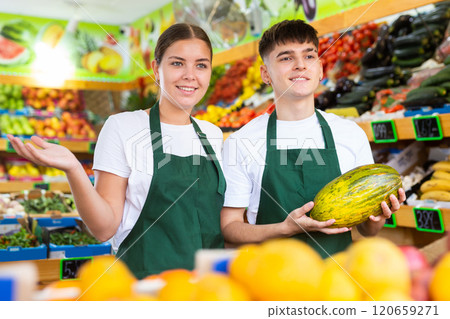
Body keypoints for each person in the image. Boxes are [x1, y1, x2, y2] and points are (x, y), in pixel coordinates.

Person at [7, 23, 226, 279]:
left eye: (201, 65)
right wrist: (74, 169)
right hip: (143, 287)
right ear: (156, 69)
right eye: (177, 63)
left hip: (209, 289)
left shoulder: (212, 135)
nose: (190, 75)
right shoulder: (123, 127)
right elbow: (103, 228)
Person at [220, 20, 406, 257]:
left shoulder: (350, 134)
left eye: (309, 56)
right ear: (265, 74)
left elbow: (368, 231)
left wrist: (379, 217)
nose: (300, 65)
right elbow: (229, 228)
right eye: (286, 58)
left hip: (337, 284)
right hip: (270, 282)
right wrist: (284, 229)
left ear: (320, 69)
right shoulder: (241, 141)